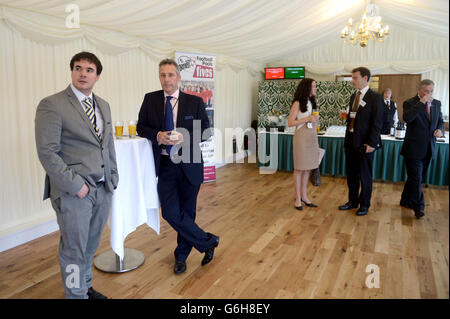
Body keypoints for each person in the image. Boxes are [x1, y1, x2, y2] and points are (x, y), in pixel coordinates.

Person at [35, 52, 118, 299]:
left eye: (89, 70)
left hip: (103, 188)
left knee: (90, 246)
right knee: (74, 250)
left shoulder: (103, 105)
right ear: (71, 72)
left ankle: (85, 287)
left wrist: (113, 176)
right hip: (75, 193)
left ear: (97, 76)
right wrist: (76, 186)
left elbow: (107, 144)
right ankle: (76, 295)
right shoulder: (52, 104)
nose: (83, 73)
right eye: (78, 68)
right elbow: (47, 152)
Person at [137, 58, 219, 275]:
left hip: (190, 164)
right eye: (163, 75)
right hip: (165, 164)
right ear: (159, 77)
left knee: (188, 213)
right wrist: (157, 135)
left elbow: (206, 131)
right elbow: (140, 126)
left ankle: (181, 257)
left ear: (178, 77)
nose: (167, 79)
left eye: (170, 75)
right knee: (171, 213)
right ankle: (208, 241)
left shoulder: (195, 101)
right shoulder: (150, 99)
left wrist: (182, 136)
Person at [338, 67, 383, 216]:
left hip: (365, 144)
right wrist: (347, 116)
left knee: (365, 176)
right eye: (352, 78)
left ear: (365, 78)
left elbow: (377, 123)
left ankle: (364, 204)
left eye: (355, 78)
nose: (353, 80)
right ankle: (352, 201)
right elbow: (356, 117)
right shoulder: (353, 96)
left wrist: (371, 144)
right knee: (351, 174)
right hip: (350, 140)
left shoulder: (375, 97)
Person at [400, 79, 444, 219]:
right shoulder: (410, 103)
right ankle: (419, 207)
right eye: (426, 91)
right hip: (413, 148)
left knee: (416, 178)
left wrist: (439, 129)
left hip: (429, 148)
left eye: (431, 91)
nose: (429, 93)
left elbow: (440, 121)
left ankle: (405, 200)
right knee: (417, 179)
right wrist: (422, 102)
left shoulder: (437, 103)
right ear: (419, 90)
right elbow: (408, 118)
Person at [287, 78, 320, 210]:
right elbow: (290, 122)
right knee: (299, 169)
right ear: (307, 88)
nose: (315, 88)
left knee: (308, 168)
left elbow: (310, 121)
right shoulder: (297, 103)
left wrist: (314, 120)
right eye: (313, 86)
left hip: (311, 136)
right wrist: (307, 118)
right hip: (301, 137)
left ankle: (304, 196)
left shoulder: (311, 102)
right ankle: (297, 199)